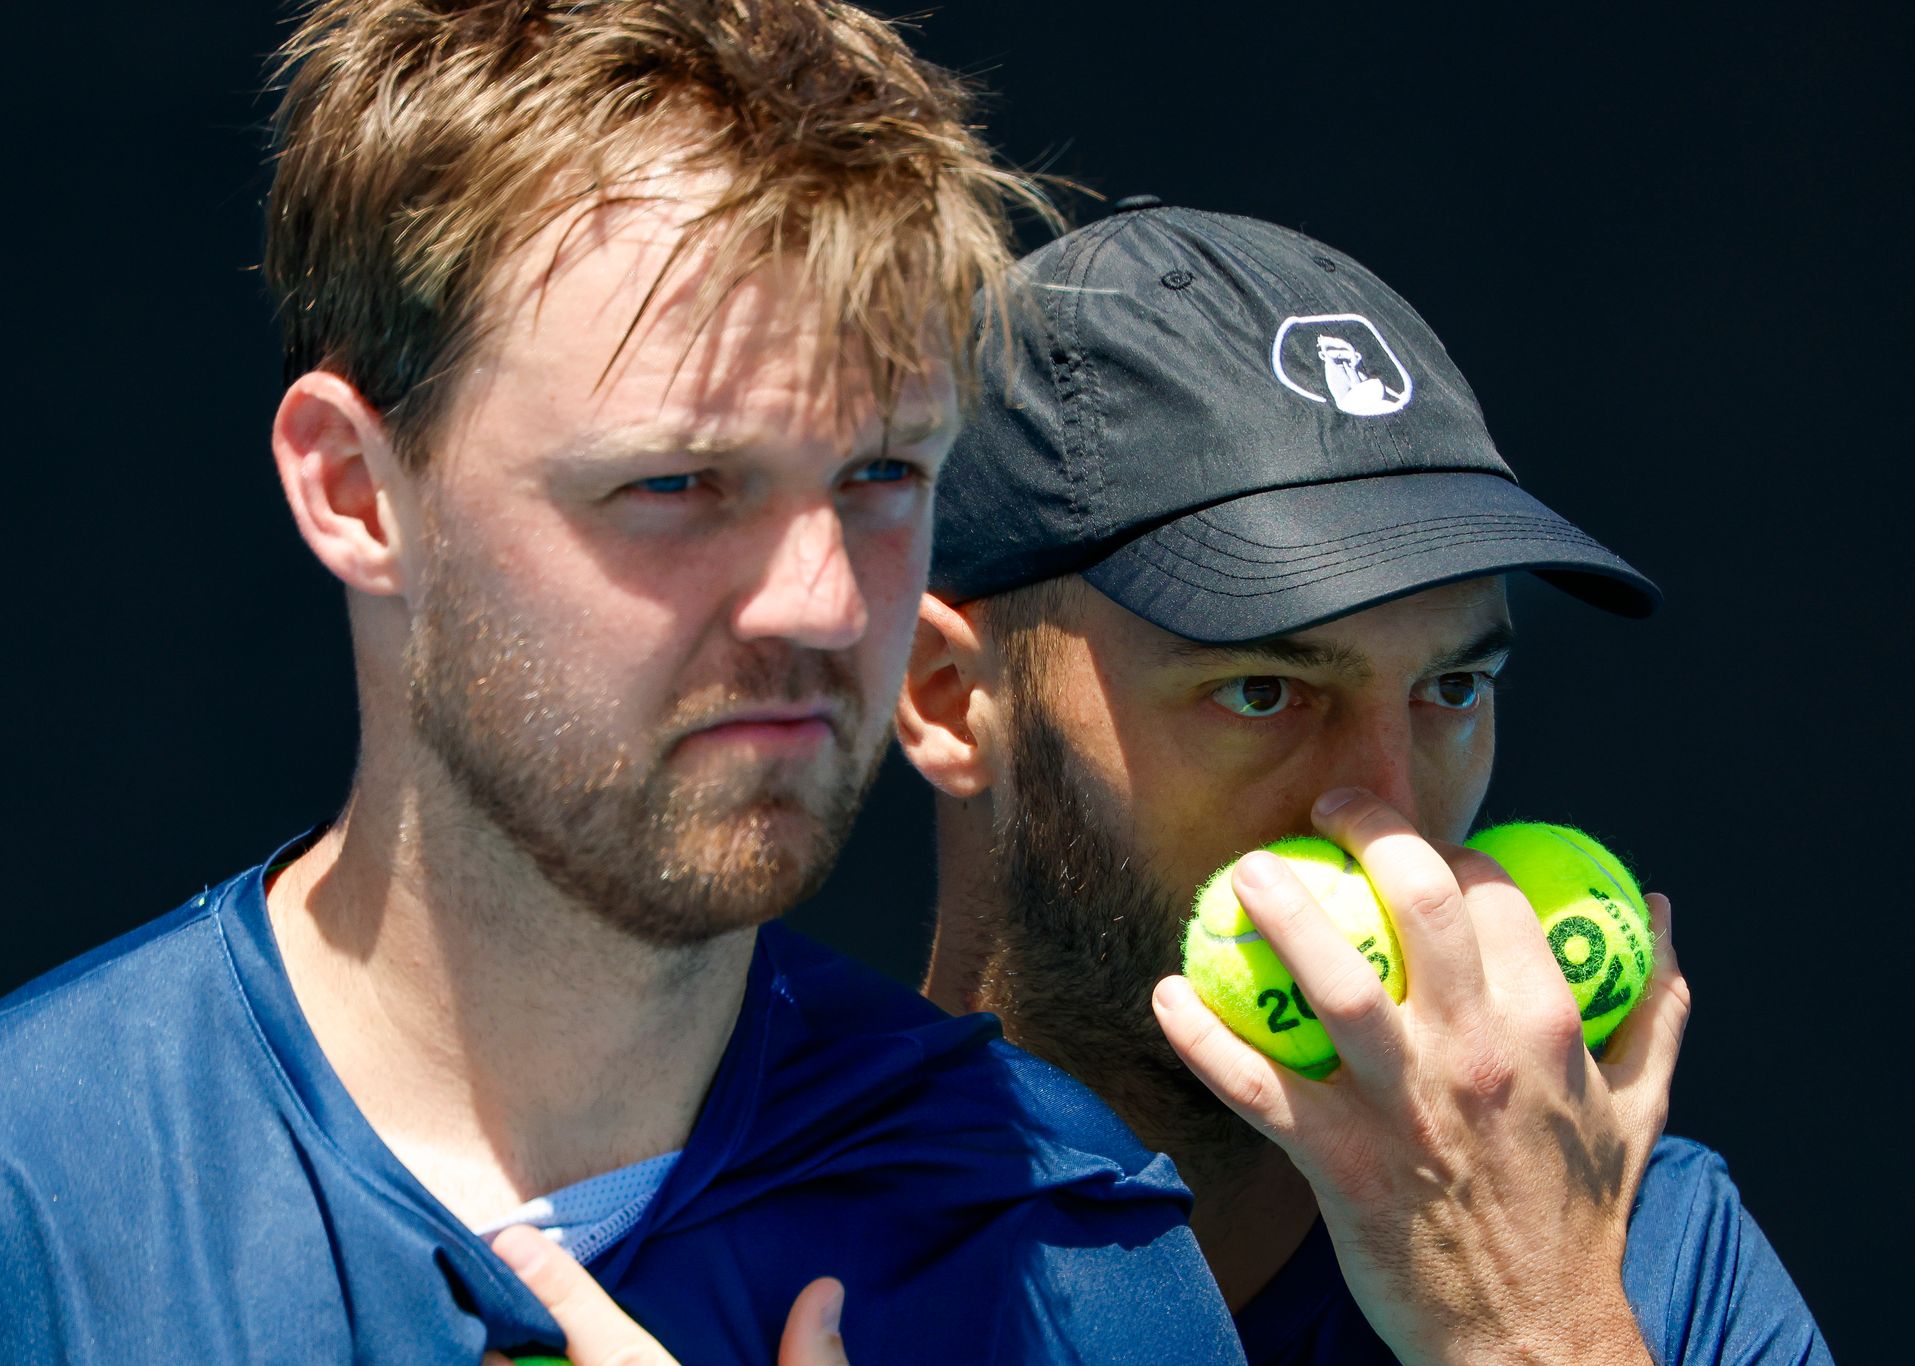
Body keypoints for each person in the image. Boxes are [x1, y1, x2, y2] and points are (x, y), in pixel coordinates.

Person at [0, 10, 1244, 1362]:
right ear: (360, 490)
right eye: (677, 483)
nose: (825, 600)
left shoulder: (1061, 1238)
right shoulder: (43, 1195)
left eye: (882, 474)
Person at [895, 201, 1835, 1363]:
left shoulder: (1636, 1252)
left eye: (1449, 688)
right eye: (1260, 690)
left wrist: (1533, 1328)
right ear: (946, 694)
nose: (1390, 810)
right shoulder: (716, 1261)